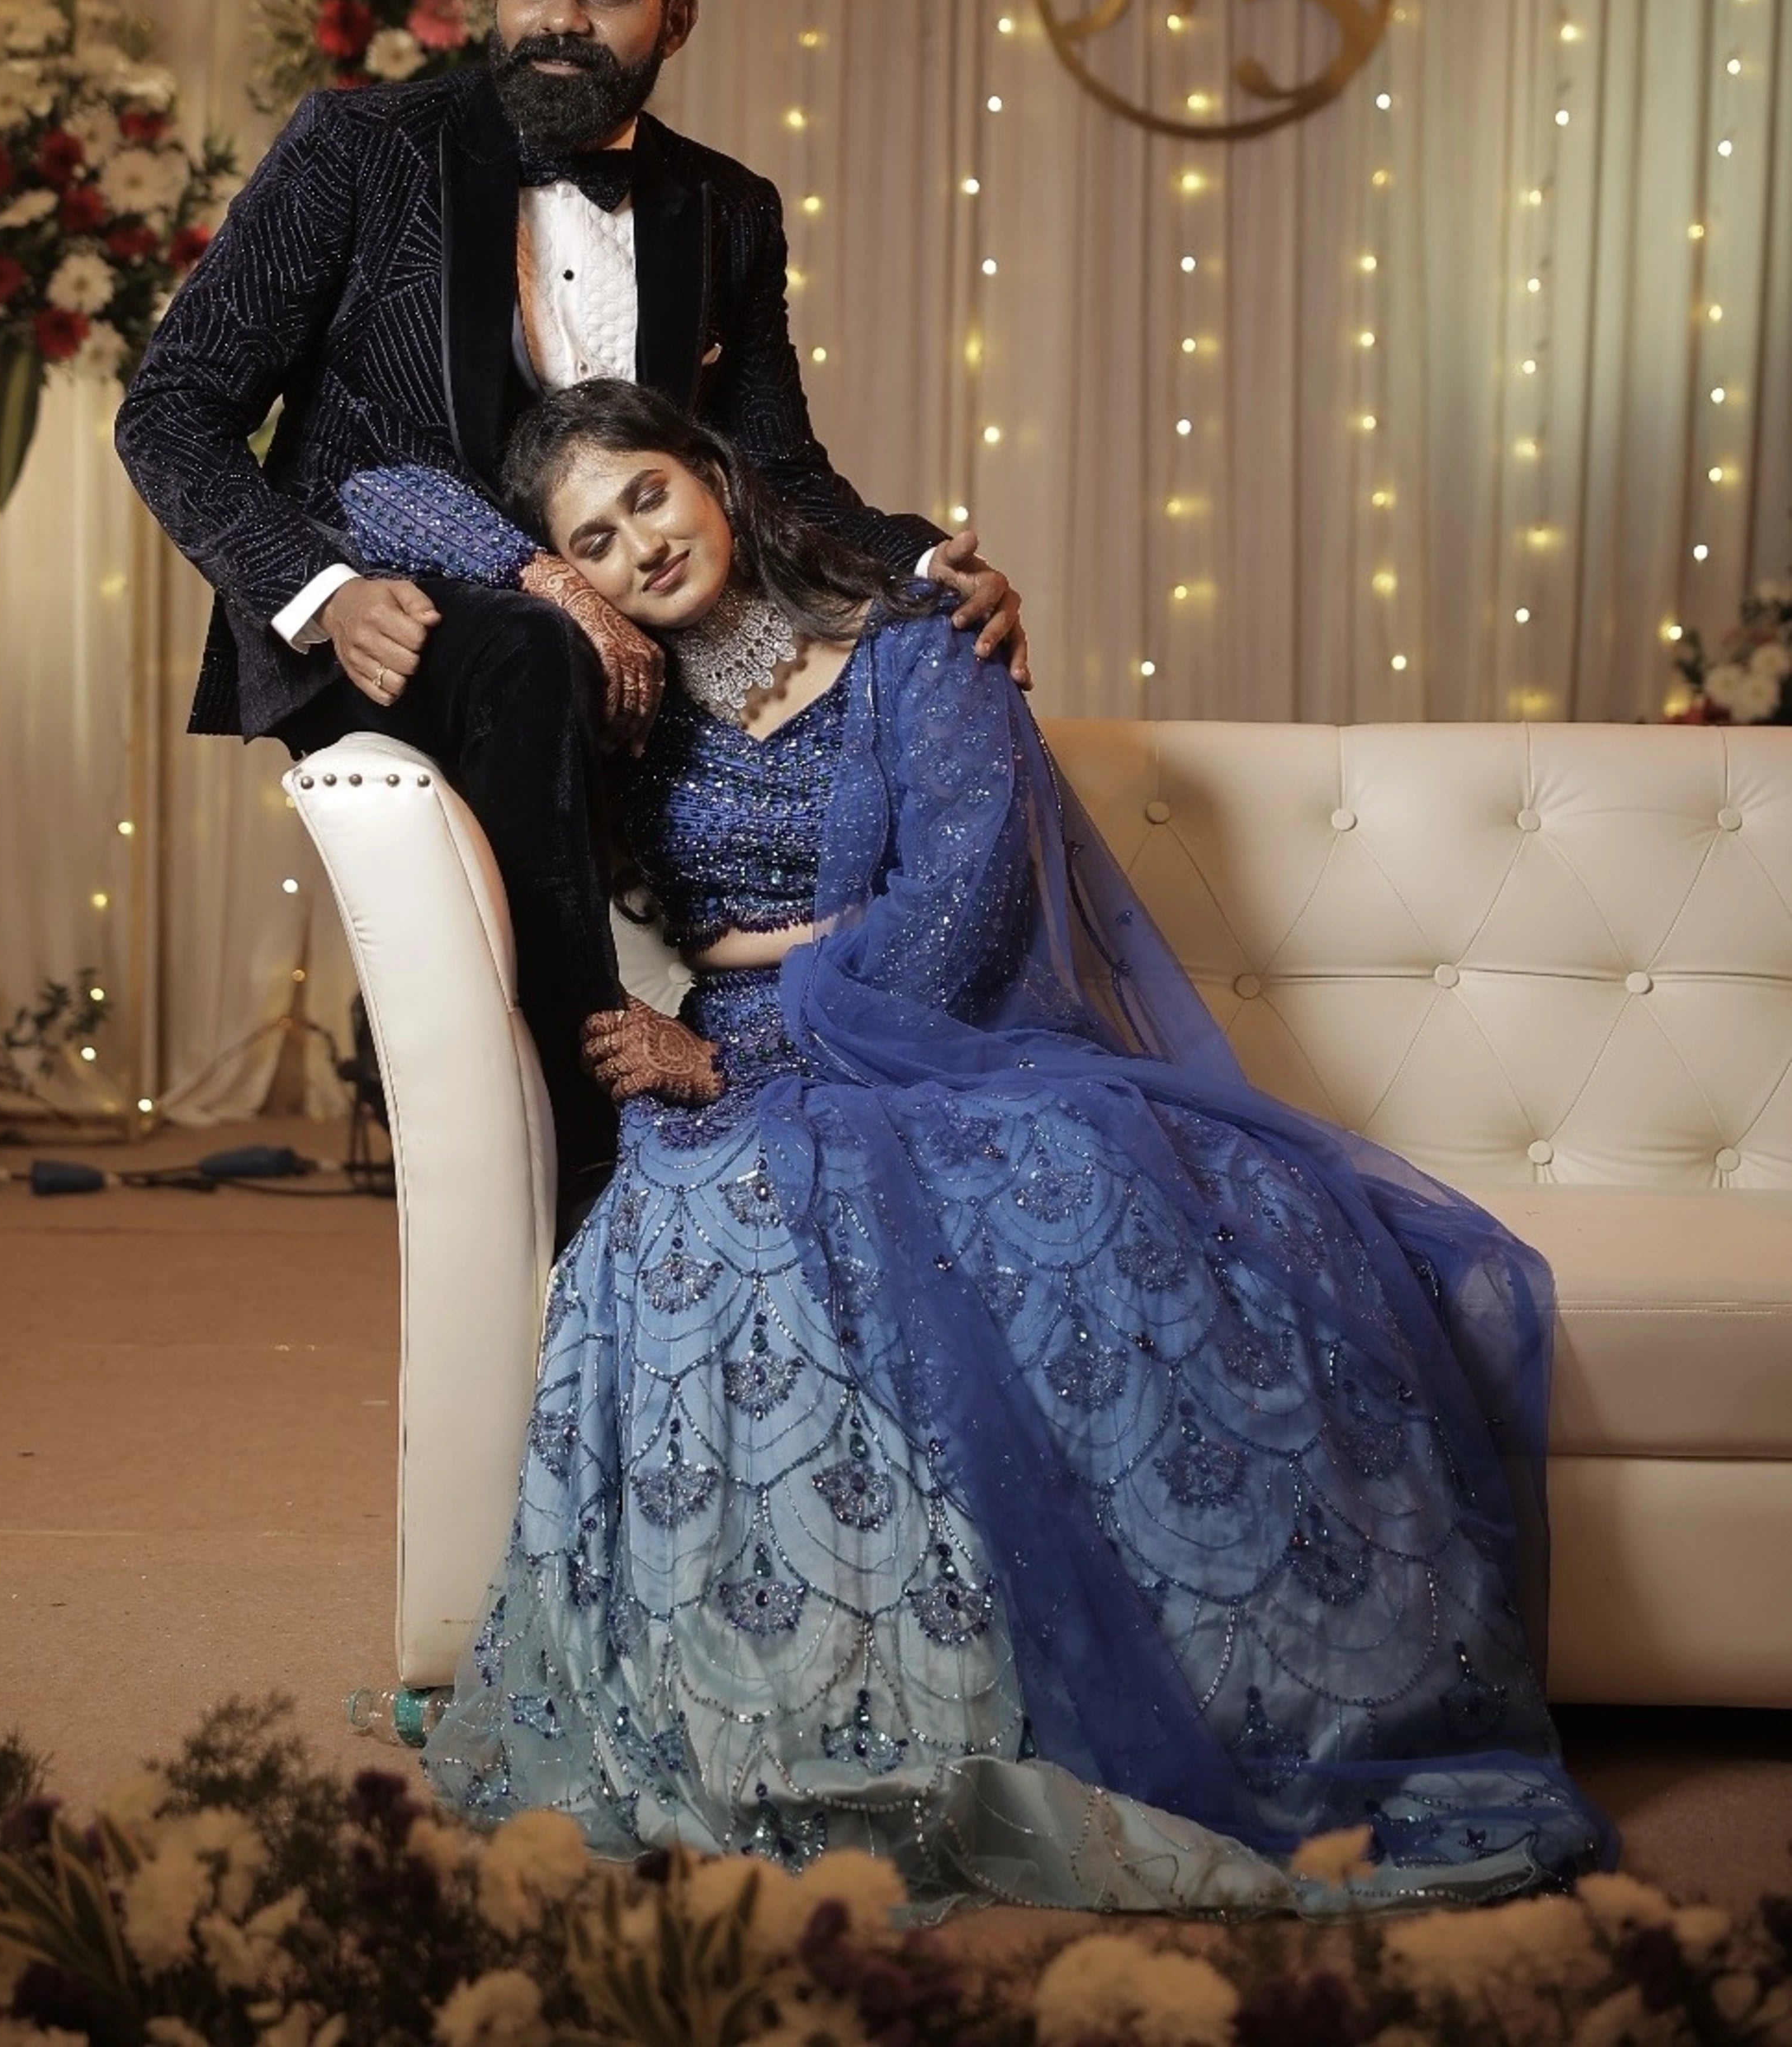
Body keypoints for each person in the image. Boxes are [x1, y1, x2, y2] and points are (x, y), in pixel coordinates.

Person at [336, 382, 1614, 1916]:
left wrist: (749, 1027)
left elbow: (962, 920)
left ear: (719, 480)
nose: (636, 548)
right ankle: (798, 1723)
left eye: (650, 498)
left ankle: (1156, 1719)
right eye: (592, 539)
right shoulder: (611, 697)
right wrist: (537, 583)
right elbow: (371, 494)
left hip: (938, 1050)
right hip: (732, 1070)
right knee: (687, 1234)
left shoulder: (916, 649)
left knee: (1081, 1208)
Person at [114, 0, 1025, 1232]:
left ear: (676, 11)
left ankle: (816, 1076)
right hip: (383, 610)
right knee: (536, 655)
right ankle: (586, 1161)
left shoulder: (724, 208)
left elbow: (775, 468)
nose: (556, 19)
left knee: (883, 675)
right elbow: (168, 410)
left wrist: (922, 560)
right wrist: (313, 592)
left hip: (602, 619)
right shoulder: (359, 147)